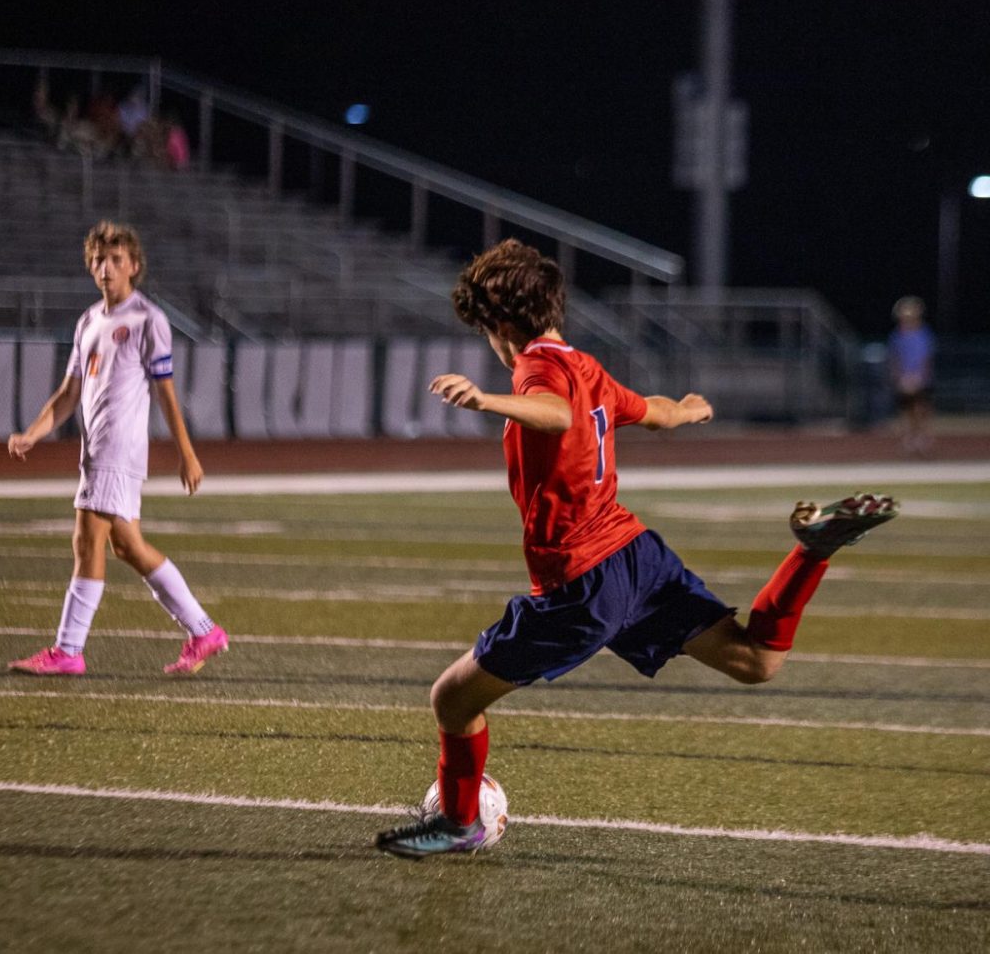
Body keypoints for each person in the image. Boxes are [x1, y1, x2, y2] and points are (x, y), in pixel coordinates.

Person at [374, 239, 899, 858]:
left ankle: (460, 823)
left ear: (501, 324)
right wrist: (688, 410)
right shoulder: (585, 366)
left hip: (583, 584)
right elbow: (651, 411)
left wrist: (488, 400)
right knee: (756, 661)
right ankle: (812, 552)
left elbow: (553, 413)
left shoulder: (539, 371)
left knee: (452, 699)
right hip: (635, 557)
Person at [6, 221, 228, 676]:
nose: (105, 268)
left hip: (117, 449)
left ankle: (68, 651)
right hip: (95, 451)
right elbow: (69, 392)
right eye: (98, 260)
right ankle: (204, 631)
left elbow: (165, 391)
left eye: (115, 260)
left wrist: (186, 453)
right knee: (128, 547)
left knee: (86, 541)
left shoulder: (148, 320)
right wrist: (34, 431)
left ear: (134, 267)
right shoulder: (89, 320)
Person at [886, 295, 936, 455]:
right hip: (903, 378)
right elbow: (894, 357)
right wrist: (898, 376)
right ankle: (909, 438)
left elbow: (926, 357)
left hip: (921, 378)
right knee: (906, 410)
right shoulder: (896, 336)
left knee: (921, 408)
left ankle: (922, 438)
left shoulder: (924, 334)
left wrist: (920, 376)